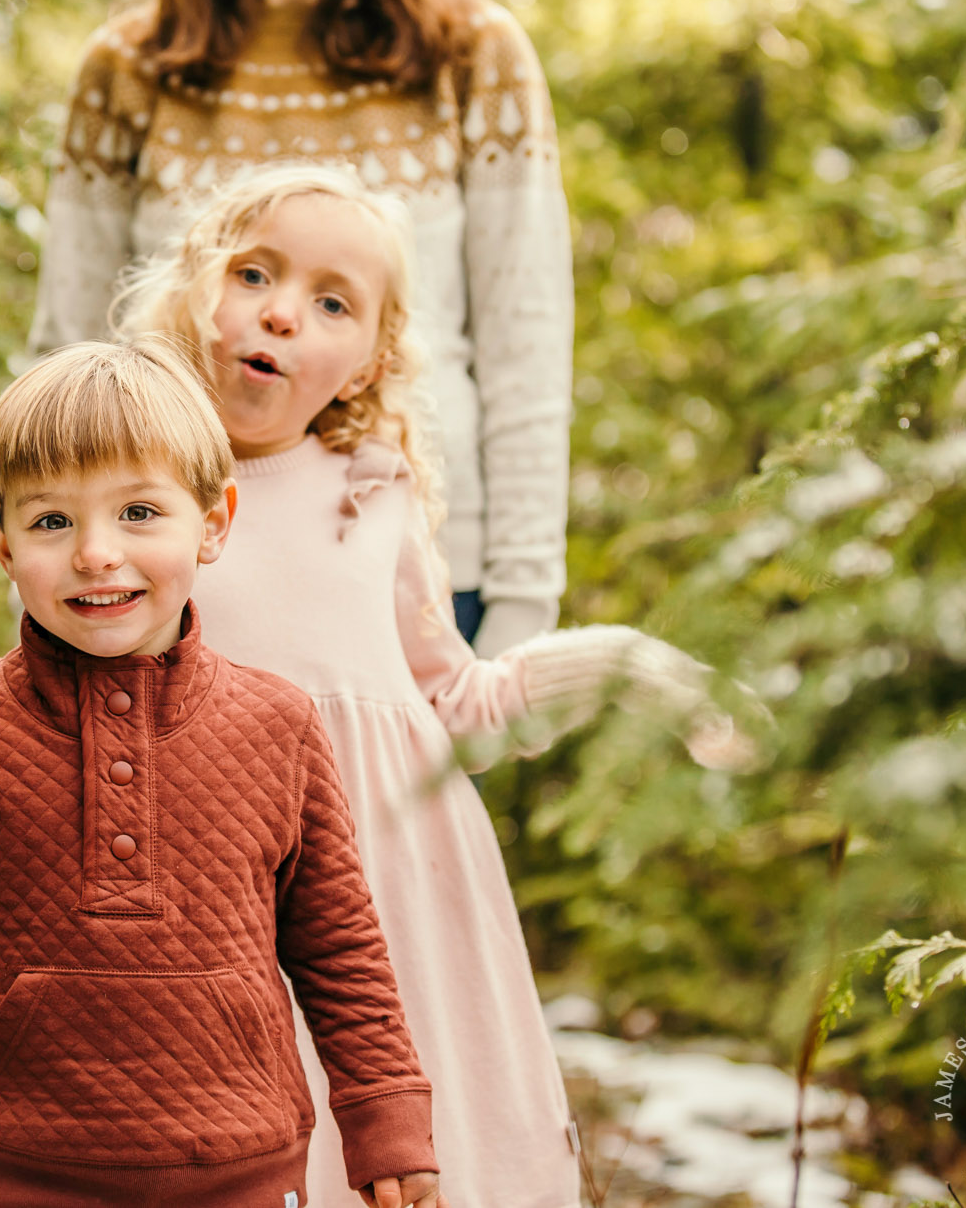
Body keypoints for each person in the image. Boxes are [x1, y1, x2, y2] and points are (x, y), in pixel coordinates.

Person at [110, 166, 748, 1208]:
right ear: (191, 286)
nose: (280, 309)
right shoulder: (128, 498)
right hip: (213, 900)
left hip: (396, 881)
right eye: (253, 272)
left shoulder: (373, 494)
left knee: (414, 1145)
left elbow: (456, 704)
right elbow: (51, 720)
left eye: (330, 301)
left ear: (368, 358)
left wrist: (630, 666)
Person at [0, 337, 445, 1208]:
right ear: (0, 542)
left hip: (245, 1159)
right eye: (51, 521)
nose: (95, 554)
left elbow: (339, 944)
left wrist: (385, 1120)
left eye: (140, 514)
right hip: (25, 1166)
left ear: (216, 522)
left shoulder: (279, 724)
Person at [30, 0, 574, 654]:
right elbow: (70, 352)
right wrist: (47, 578)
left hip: (427, 579)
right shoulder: (130, 67)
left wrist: (523, 602)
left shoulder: (473, 56)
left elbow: (528, 346)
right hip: (166, 585)